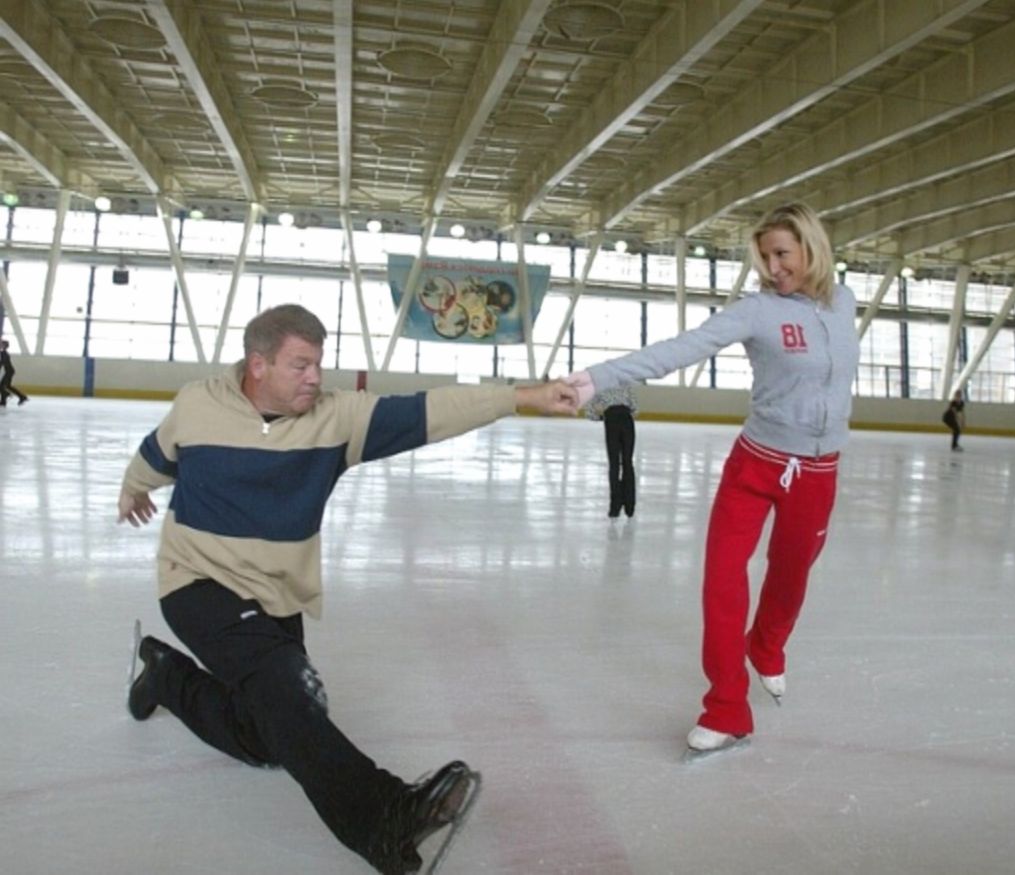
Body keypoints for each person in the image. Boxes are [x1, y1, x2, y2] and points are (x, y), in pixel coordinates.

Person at [118, 304, 578, 874]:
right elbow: (156, 455)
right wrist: (133, 489)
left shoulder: (336, 420)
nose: (315, 377)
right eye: (300, 365)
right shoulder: (198, 405)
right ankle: (383, 816)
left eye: (319, 363)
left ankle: (166, 676)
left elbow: (430, 410)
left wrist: (523, 396)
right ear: (258, 365)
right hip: (196, 580)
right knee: (286, 686)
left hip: (276, 593)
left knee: (266, 737)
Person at [566, 203, 859, 758]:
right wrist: (593, 380)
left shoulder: (842, 301)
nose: (773, 267)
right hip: (755, 464)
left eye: (782, 254)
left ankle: (766, 647)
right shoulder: (756, 311)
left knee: (790, 576)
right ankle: (726, 708)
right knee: (722, 582)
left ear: (811, 248)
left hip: (817, 471)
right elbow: (679, 350)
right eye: (765, 257)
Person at [585, 386, 637, 517]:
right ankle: (629, 506)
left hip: (611, 420)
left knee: (614, 464)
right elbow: (635, 408)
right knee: (627, 462)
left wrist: (602, 417)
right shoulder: (625, 386)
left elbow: (590, 412)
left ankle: (615, 506)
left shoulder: (600, 388)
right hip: (627, 420)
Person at [0, 339, 29, 407]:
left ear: (4, 345)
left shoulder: (4, 353)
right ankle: (5, 400)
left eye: (1, 344)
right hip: (9, 371)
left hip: (9, 372)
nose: (0, 345)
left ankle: (6, 396)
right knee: (7, 386)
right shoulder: (3, 353)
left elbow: (2, 362)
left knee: (2, 386)